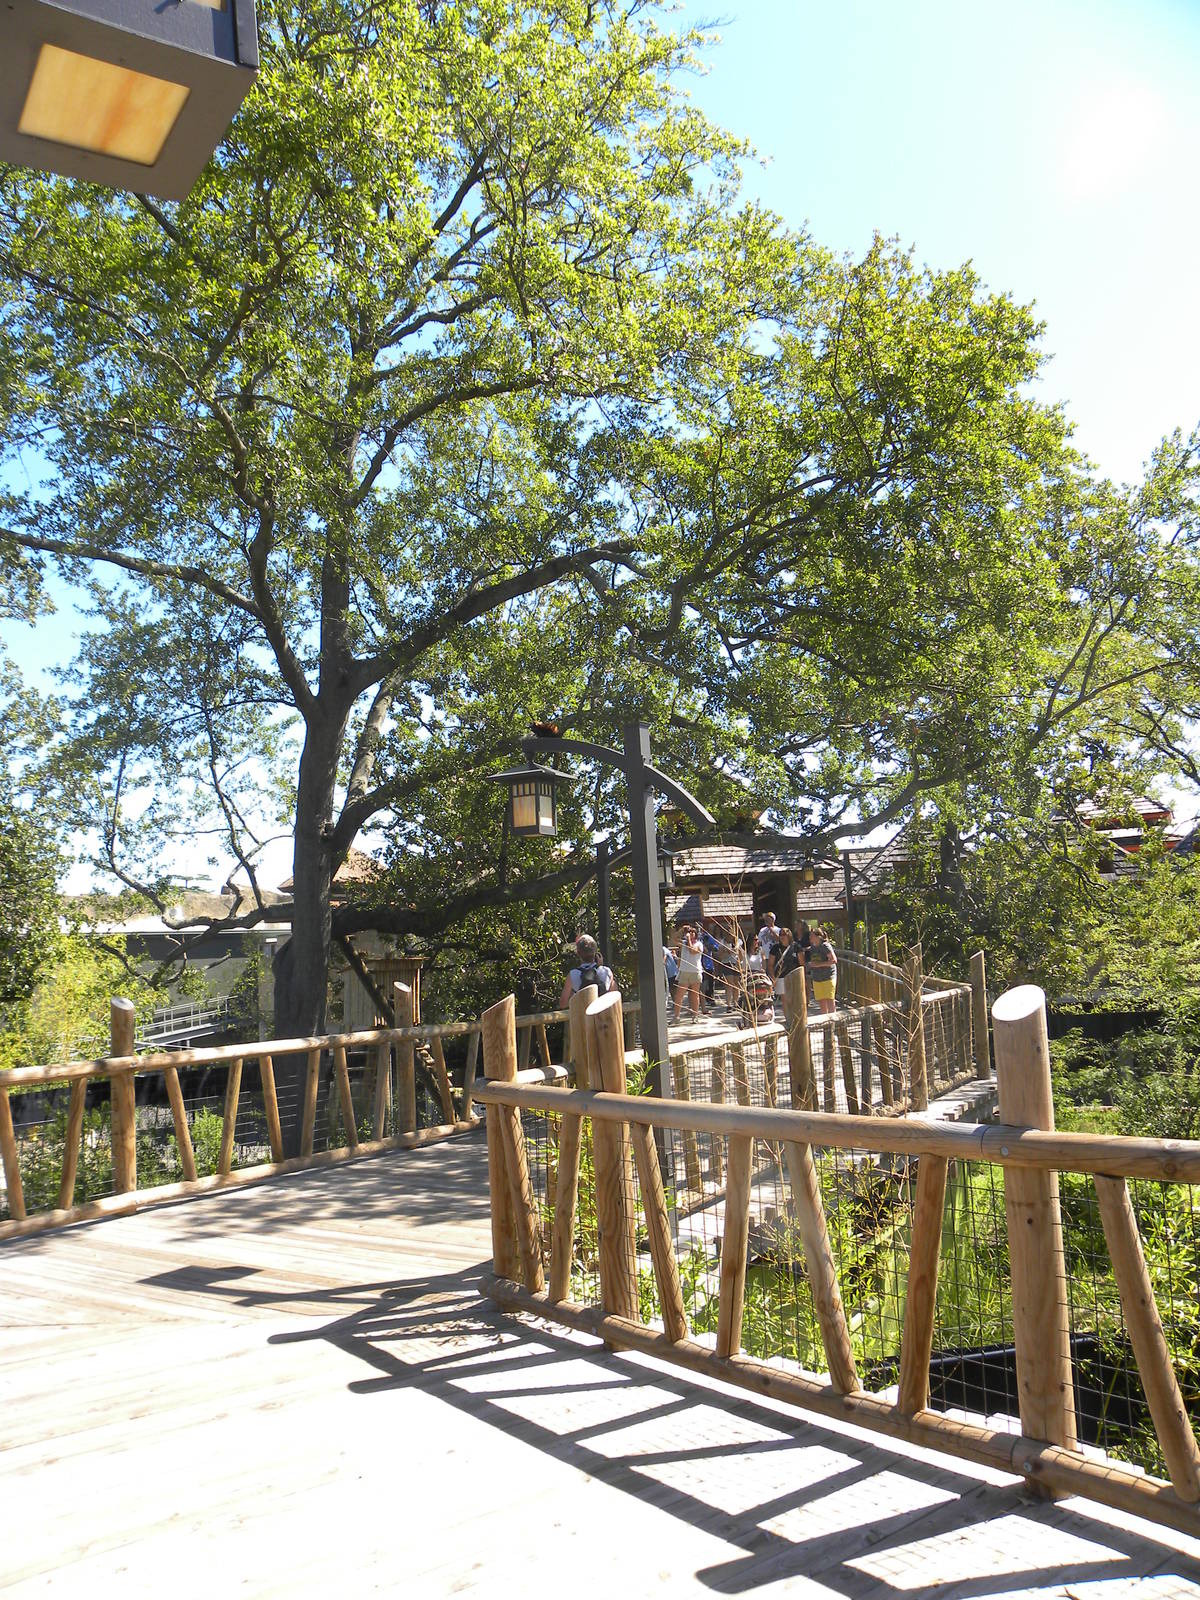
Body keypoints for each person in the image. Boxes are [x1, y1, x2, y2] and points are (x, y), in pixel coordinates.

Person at [559, 934, 614, 1008]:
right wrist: (599, 966)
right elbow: (614, 997)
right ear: (595, 953)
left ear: (578, 953)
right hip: (602, 1017)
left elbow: (563, 1003)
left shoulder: (572, 974)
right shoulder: (606, 971)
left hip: (583, 1017)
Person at [674, 924, 704, 1019]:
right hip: (684, 971)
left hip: (695, 971)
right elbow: (673, 939)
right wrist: (681, 930)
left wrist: (689, 940)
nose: (690, 934)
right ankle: (676, 1016)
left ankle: (695, 1016)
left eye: (692, 933)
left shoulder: (699, 944)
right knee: (679, 995)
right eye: (688, 932)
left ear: (695, 934)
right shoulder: (683, 943)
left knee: (695, 995)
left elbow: (692, 951)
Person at [808, 924, 838, 1015]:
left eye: (812, 935)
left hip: (828, 976)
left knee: (830, 1001)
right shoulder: (812, 947)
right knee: (821, 1002)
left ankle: (834, 1024)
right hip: (817, 978)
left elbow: (833, 960)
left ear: (818, 937)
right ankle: (826, 1026)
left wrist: (818, 965)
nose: (810, 937)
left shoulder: (825, 946)